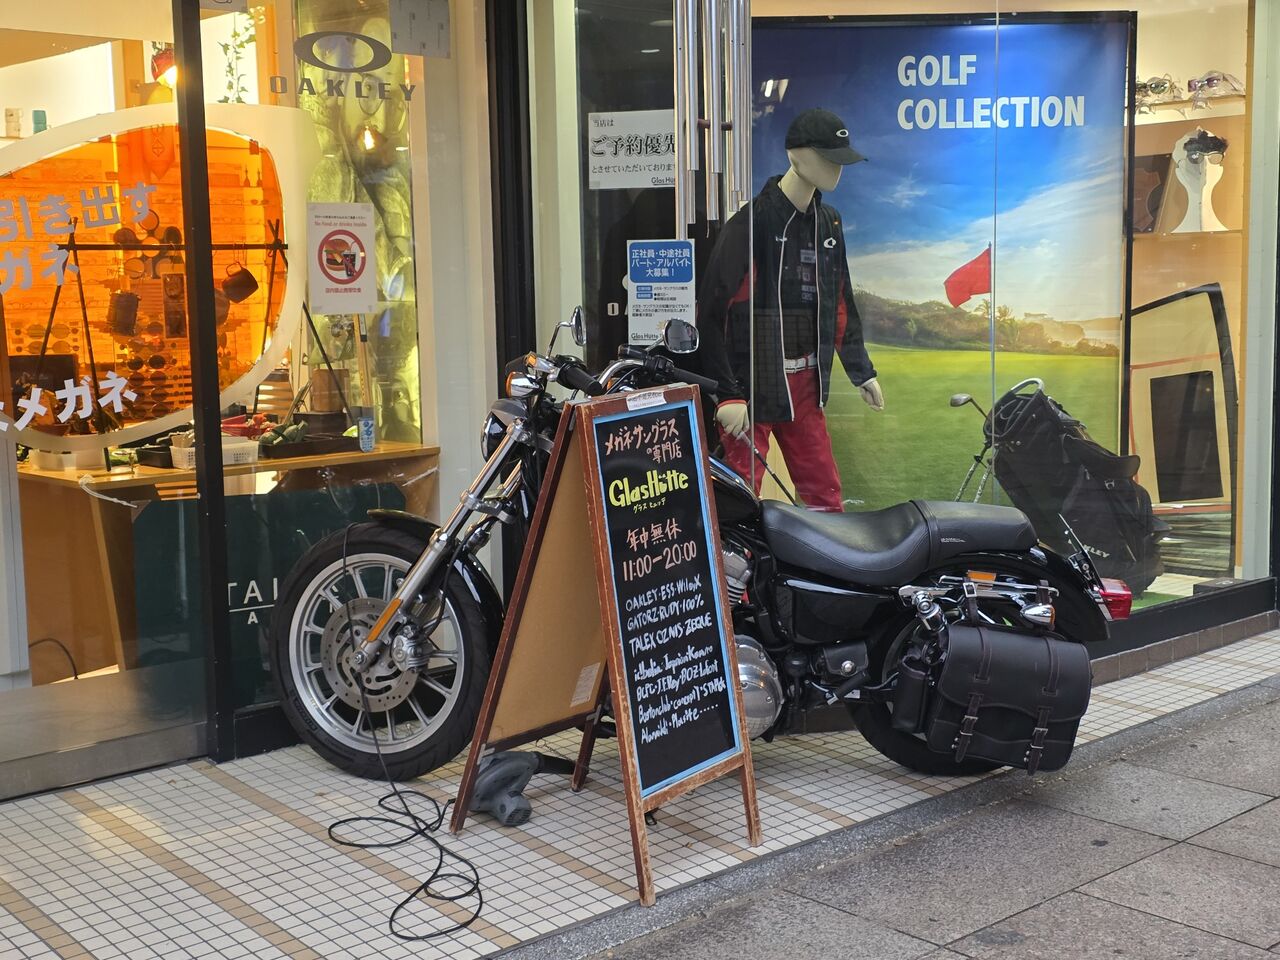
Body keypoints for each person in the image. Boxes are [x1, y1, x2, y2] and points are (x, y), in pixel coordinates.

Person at [698, 108, 883, 512]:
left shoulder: (829, 224)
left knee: (825, 494)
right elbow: (713, 313)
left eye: (841, 160)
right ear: (797, 156)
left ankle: (824, 557)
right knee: (738, 494)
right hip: (753, 382)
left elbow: (839, 301)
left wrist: (861, 371)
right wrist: (728, 394)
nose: (837, 170)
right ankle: (734, 556)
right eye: (829, 159)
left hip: (806, 383)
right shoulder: (750, 223)